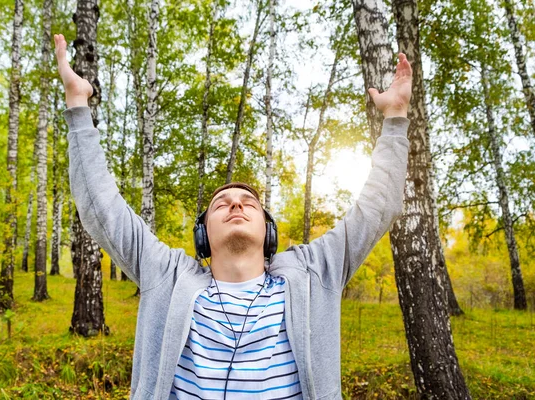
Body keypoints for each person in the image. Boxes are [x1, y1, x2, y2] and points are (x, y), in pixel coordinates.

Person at [54, 32, 412, 400]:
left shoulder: (314, 271)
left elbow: (378, 205)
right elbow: (102, 209)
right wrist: (78, 104)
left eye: (249, 202)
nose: (237, 205)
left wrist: (396, 116)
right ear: (203, 235)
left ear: (268, 231)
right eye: (222, 203)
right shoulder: (167, 276)